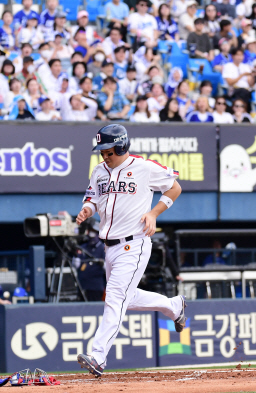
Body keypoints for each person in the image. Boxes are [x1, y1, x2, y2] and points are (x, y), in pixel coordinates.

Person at [75, 124, 186, 377]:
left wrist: (154, 212)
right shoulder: (99, 171)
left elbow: (175, 188)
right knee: (127, 297)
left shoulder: (144, 168)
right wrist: (87, 210)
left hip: (134, 243)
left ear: (122, 145)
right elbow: (92, 198)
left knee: (115, 296)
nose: (105, 155)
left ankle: (98, 357)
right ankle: (174, 306)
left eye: (109, 150)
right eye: (102, 151)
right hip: (109, 246)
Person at [77, 220, 106, 302]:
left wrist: (102, 263)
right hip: (82, 285)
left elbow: (109, 268)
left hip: (95, 286)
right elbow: (76, 265)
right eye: (90, 231)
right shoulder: (83, 247)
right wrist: (76, 255)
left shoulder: (103, 248)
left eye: (94, 232)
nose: (91, 234)